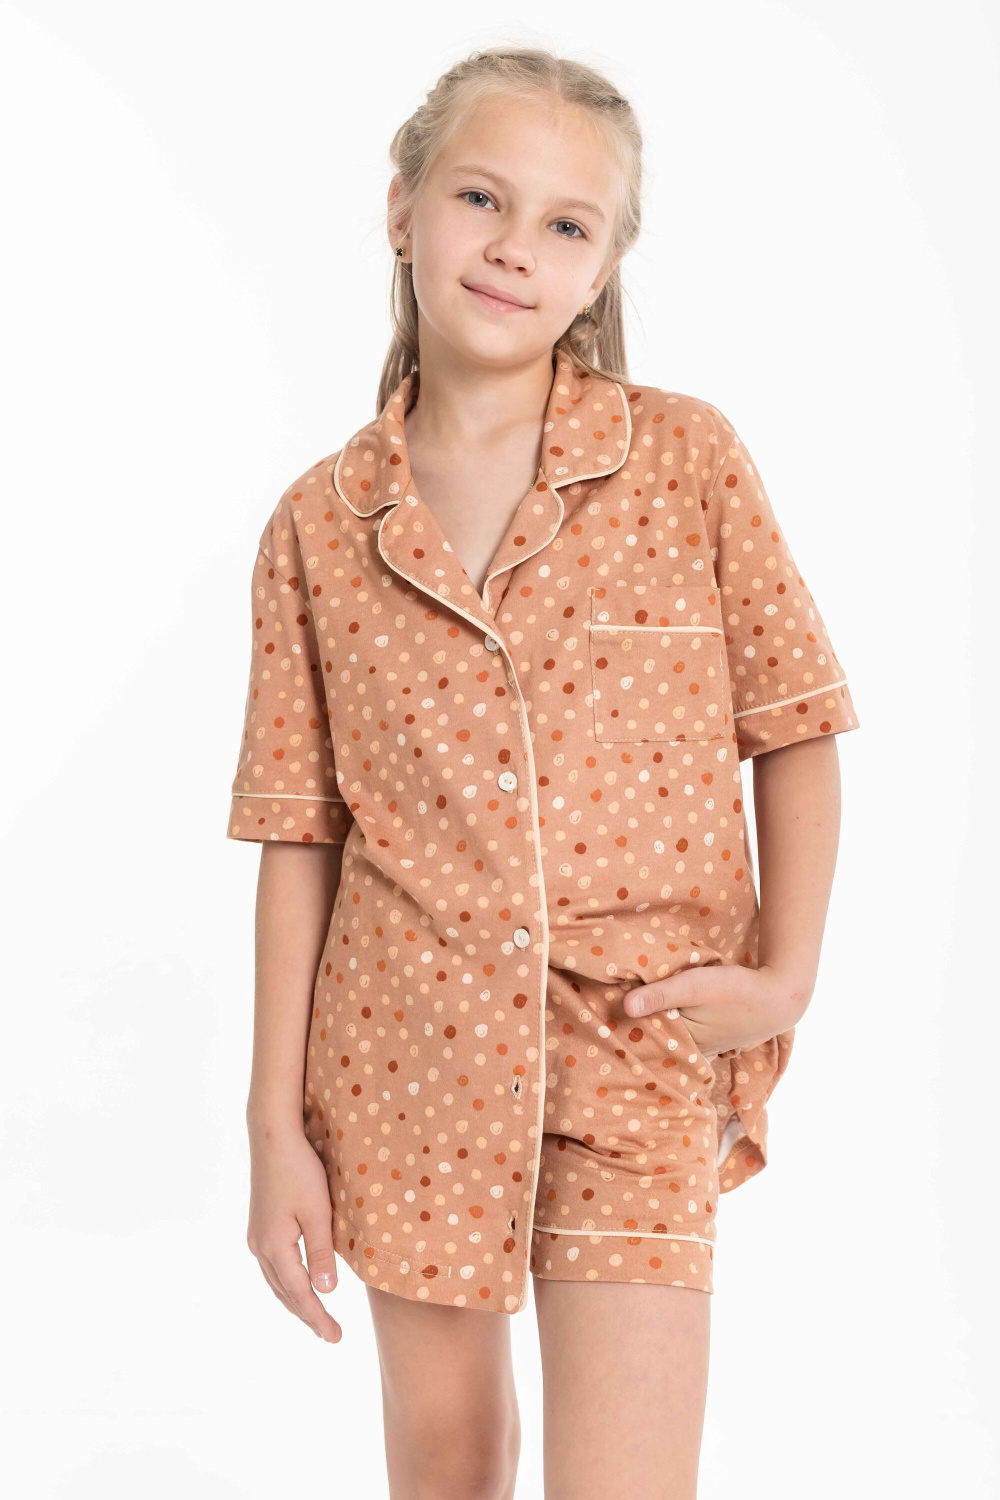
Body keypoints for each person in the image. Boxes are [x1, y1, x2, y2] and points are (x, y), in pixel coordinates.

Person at [225, 45, 860, 1499]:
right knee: (448, 1469)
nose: (516, 246)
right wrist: (273, 1128)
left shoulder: (687, 461)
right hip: (404, 1058)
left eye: (566, 223)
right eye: (481, 198)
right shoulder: (318, 527)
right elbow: (298, 836)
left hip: (639, 1042)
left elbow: (799, 728)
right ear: (403, 209)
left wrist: (785, 978)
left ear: (603, 268)